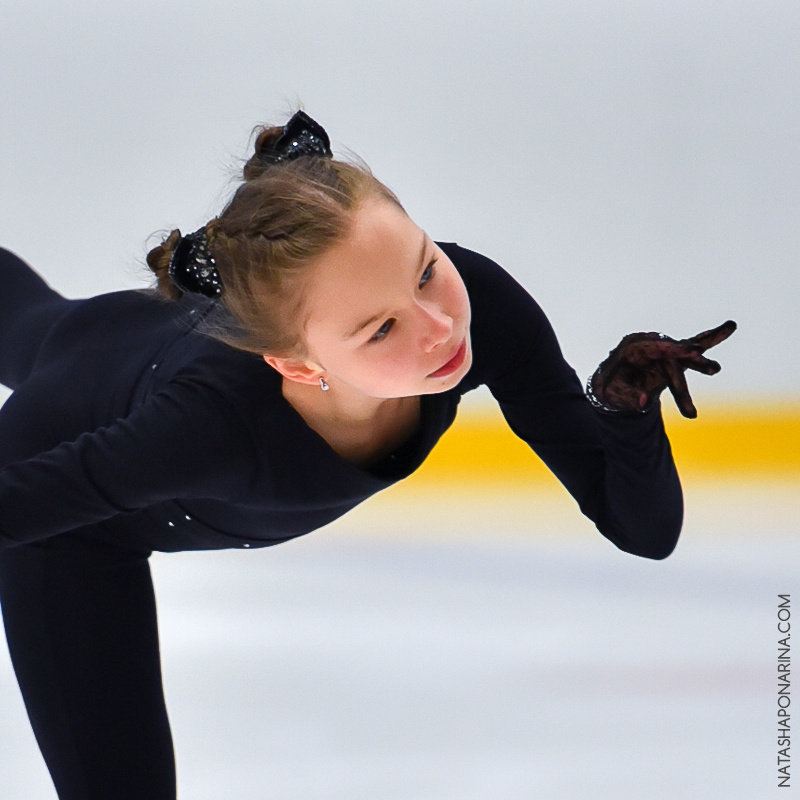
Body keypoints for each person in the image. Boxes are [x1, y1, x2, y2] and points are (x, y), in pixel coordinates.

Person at [0, 110, 735, 799]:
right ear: (297, 365)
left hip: (131, 341)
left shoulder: (476, 304)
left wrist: (625, 411)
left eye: (423, 269)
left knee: (33, 324)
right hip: (71, 504)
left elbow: (644, 531)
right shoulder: (213, 429)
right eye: (381, 330)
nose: (440, 326)